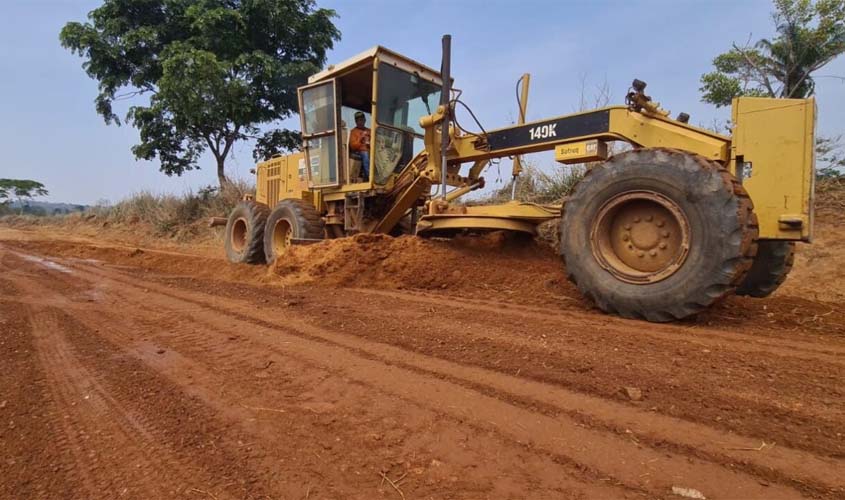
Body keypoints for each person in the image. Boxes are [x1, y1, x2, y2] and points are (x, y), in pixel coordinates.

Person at [349, 111, 371, 180]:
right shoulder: (353, 132)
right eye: (358, 120)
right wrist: (360, 139)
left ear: (365, 120)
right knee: (365, 154)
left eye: (362, 120)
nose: (361, 122)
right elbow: (353, 146)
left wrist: (370, 141)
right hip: (360, 151)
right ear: (356, 122)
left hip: (371, 150)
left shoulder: (369, 130)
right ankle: (369, 176)